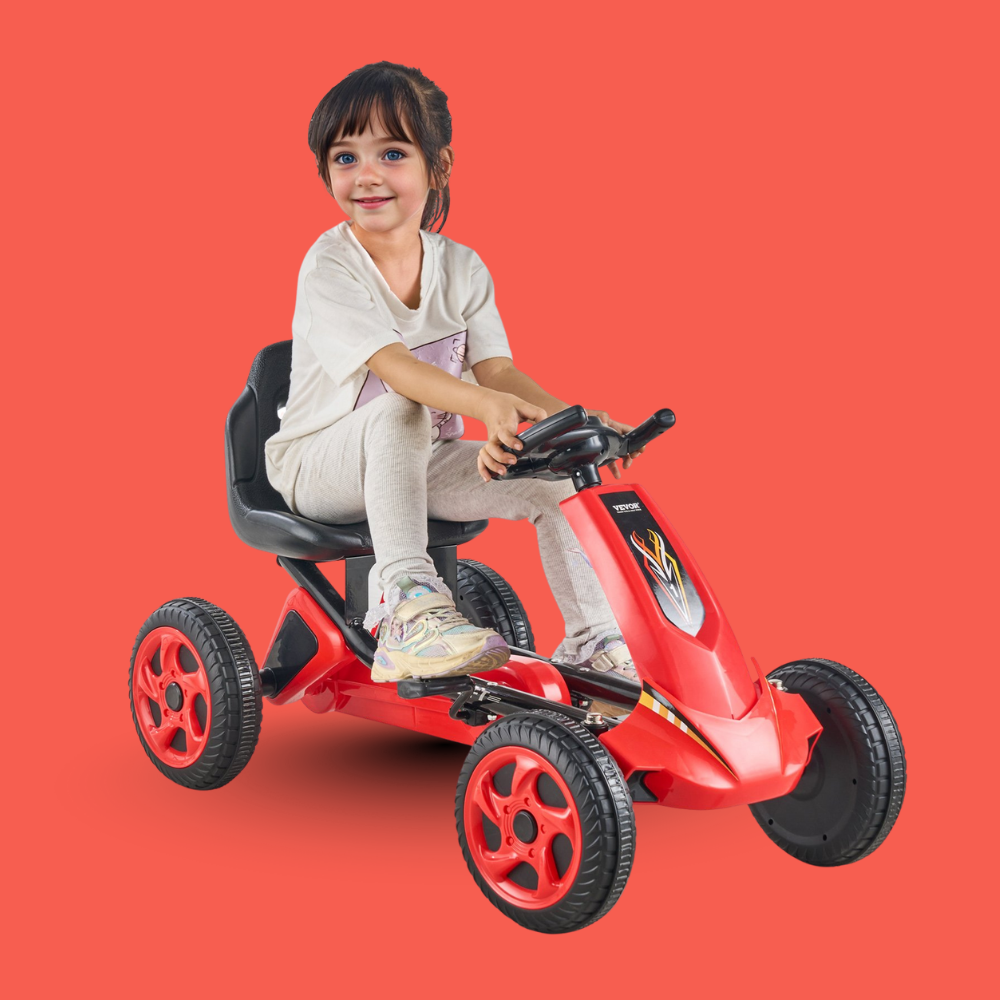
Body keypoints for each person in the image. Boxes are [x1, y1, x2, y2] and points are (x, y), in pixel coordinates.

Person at [264, 61, 645, 684]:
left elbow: (496, 369)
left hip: (415, 455)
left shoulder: (463, 268)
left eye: (391, 153)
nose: (366, 177)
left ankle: (593, 643)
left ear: (437, 167)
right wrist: (486, 407)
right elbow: (395, 370)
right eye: (344, 158)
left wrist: (565, 417)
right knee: (396, 405)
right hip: (314, 464)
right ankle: (407, 609)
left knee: (554, 484)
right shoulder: (330, 265)